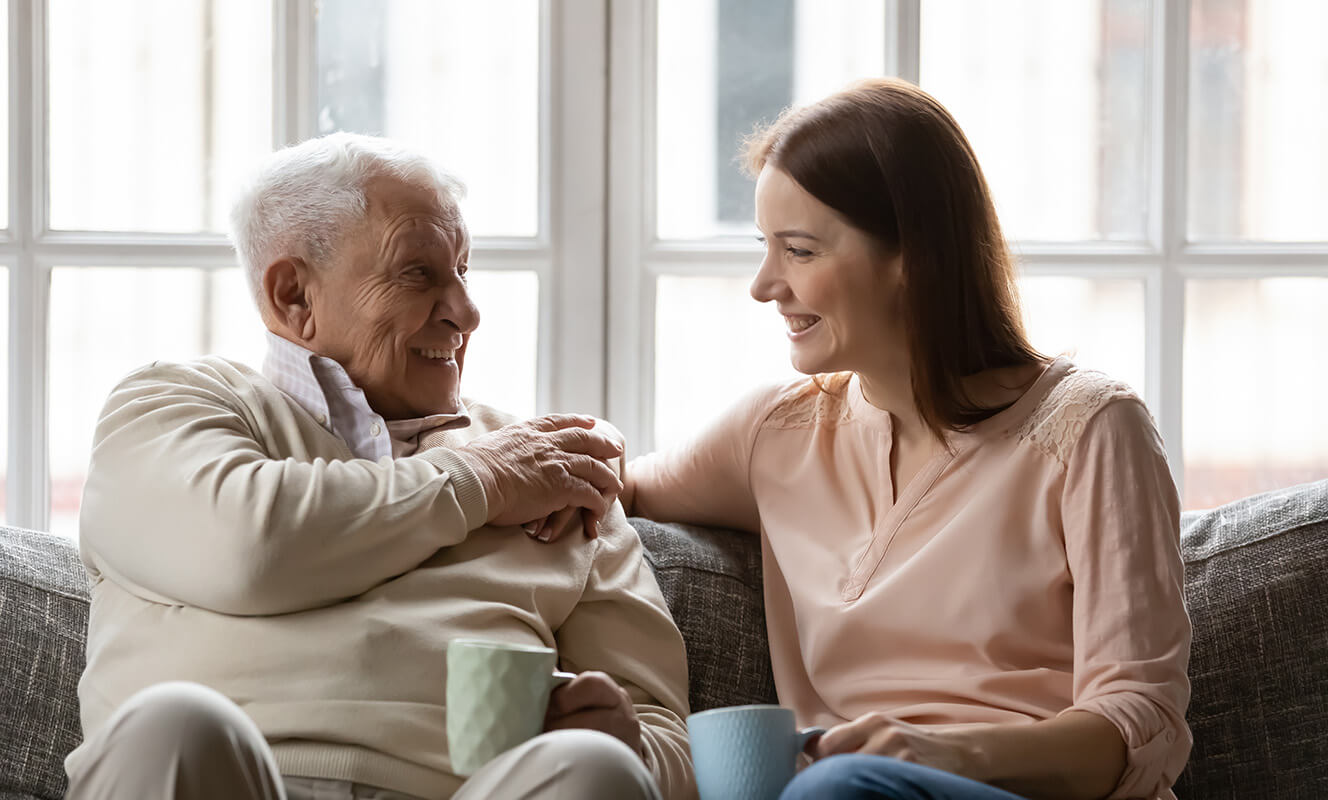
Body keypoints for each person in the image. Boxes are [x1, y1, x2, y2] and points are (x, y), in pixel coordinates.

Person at [65, 133, 695, 800]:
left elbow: (670, 743)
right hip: (222, 781)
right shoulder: (169, 407)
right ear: (294, 297)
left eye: (464, 271)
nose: (466, 312)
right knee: (174, 726)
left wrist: (631, 745)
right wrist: (484, 480)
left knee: (595, 770)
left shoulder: (549, 468)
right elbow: (253, 548)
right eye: (419, 274)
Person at [622, 78, 1191, 800]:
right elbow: (607, 476)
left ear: (911, 258)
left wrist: (948, 754)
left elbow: (1140, 726)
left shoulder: (1091, 431)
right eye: (764, 248)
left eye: (798, 251)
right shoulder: (777, 433)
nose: (764, 285)